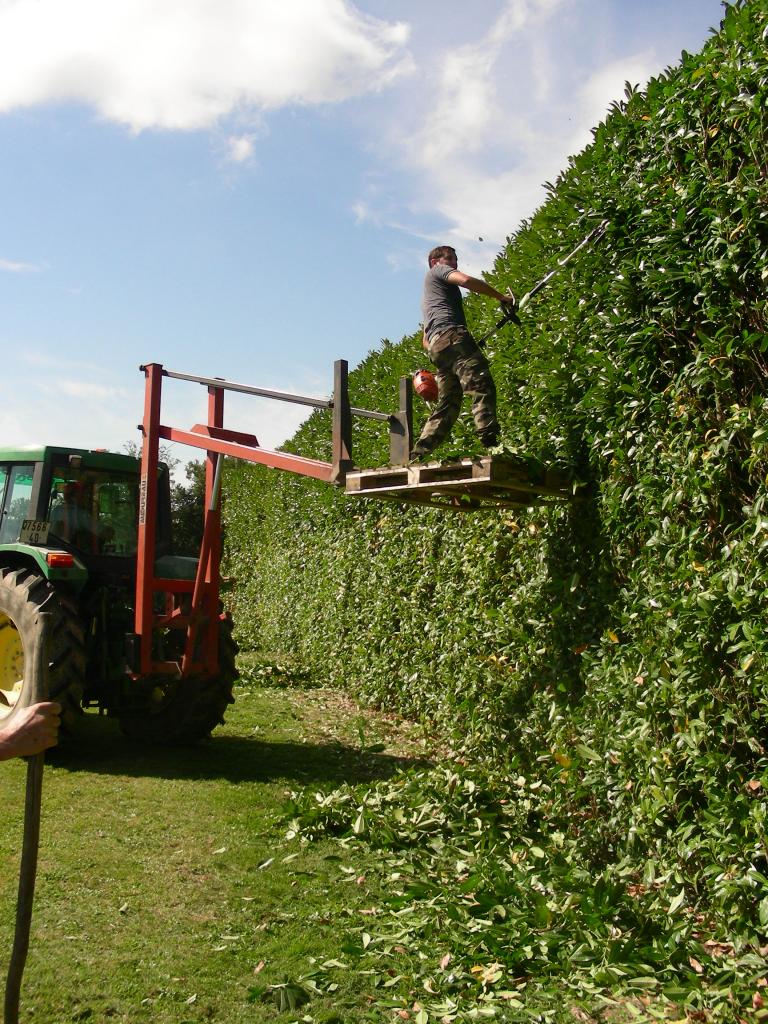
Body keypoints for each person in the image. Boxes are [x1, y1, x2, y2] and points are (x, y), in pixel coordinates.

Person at [410, 245, 518, 461]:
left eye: (455, 260)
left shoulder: (429, 299)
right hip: (452, 336)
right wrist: (501, 298)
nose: (454, 263)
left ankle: (418, 453)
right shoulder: (437, 272)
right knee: (480, 384)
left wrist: (453, 351)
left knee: (449, 403)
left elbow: (425, 340)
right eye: (449, 259)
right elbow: (466, 281)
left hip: (438, 349)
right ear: (435, 262)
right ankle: (491, 441)